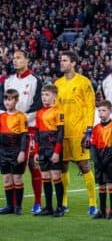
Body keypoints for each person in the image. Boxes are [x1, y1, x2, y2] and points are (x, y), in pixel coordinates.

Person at [0, 50, 43, 213]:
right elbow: (1, 103)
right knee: (10, 169)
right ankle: (12, 205)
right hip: (8, 130)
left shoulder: (35, 81)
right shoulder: (8, 81)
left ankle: (37, 202)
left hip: (28, 129)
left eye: (19, 58)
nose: (15, 61)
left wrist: (20, 117)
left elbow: (38, 105)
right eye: (13, 59)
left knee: (33, 164)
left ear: (27, 60)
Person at [55, 51, 97, 214]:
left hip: (79, 131)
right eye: (61, 60)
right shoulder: (57, 83)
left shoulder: (84, 82)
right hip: (62, 132)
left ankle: (93, 204)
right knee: (62, 167)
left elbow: (89, 107)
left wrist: (88, 130)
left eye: (64, 60)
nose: (61, 63)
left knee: (84, 165)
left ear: (73, 63)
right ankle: (64, 203)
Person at [33, 84, 65, 217]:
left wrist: (57, 152)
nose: (44, 98)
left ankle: (60, 207)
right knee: (45, 177)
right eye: (42, 95)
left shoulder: (59, 111)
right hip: (42, 149)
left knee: (56, 177)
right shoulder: (39, 113)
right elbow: (36, 134)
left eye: (47, 95)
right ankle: (48, 207)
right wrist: (36, 152)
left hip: (53, 148)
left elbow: (60, 133)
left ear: (54, 96)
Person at [91, 101, 112, 219]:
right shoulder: (96, 128)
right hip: (99, 158)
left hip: (110, 160)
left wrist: (104, 162)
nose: (101, 113)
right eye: (99, 110)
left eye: (104, 110)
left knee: (111, 184)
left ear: (110, 111)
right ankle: (102, 211)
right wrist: (97, 161)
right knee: (101, 185)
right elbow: (93, 145)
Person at [0, 89, 28, 215]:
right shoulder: (1, 117)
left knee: (17, 178)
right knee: (6, 179)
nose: (7, 102)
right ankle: (9, 206)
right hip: (3, 152)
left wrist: (22, 151)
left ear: (16, 100)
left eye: (10, 99)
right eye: (6, 99)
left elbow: (23, 136)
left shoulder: (21, 116)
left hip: (16, 150)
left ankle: (18, 206)